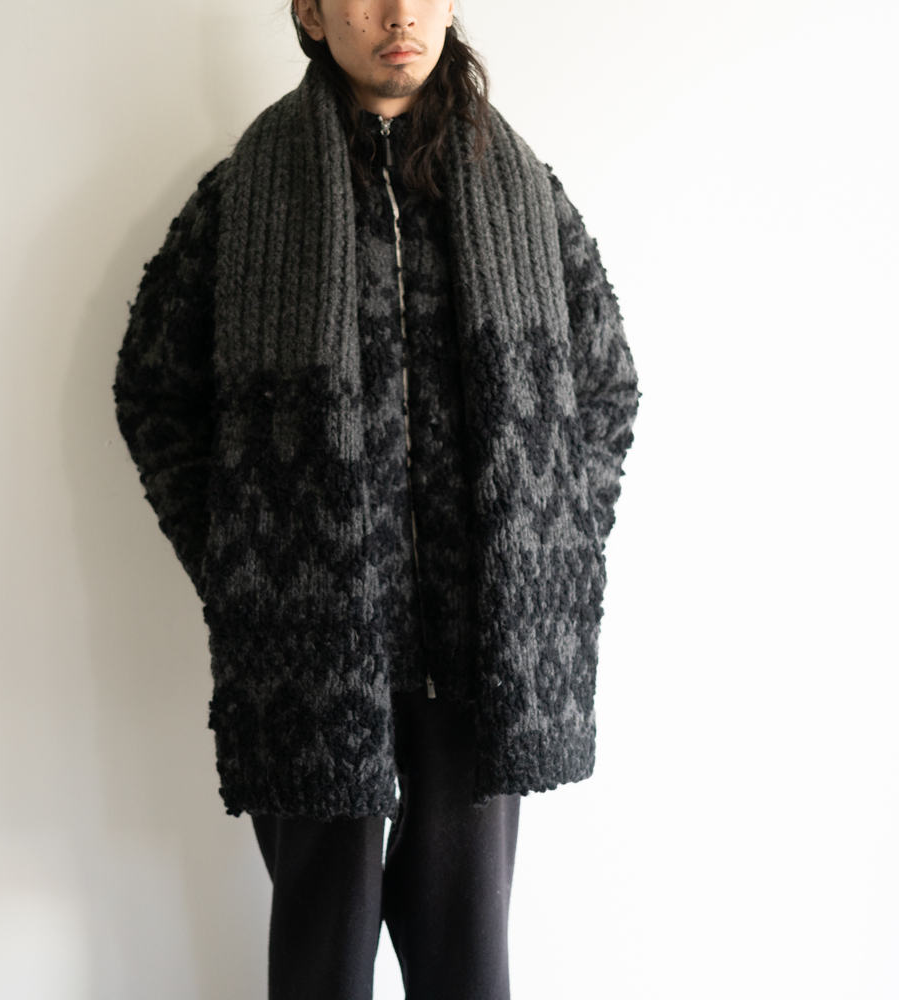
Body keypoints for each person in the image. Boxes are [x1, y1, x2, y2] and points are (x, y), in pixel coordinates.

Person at [113, 1, 639, 996]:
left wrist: (555, 535)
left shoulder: (525, 194)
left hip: (482, 644)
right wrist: (243, 559)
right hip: (310, 650)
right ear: (311, 14)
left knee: (466, 964)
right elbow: (153, 391)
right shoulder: (244, 198)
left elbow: (606, 386)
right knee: (321, 957)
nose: (399, 14)